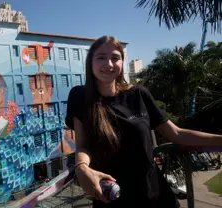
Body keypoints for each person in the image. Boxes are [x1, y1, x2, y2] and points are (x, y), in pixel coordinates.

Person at [65, 36, 222, 207]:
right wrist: (82, 168)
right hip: (112, 197)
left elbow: (176, 134)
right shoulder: (80, 96)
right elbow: (83, 145)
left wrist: (219, 140)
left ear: (122, 63)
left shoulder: (138, 94)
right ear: (91, 62)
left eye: (115, 58)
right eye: (101, 57)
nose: (109, 64)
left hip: (155, 195)